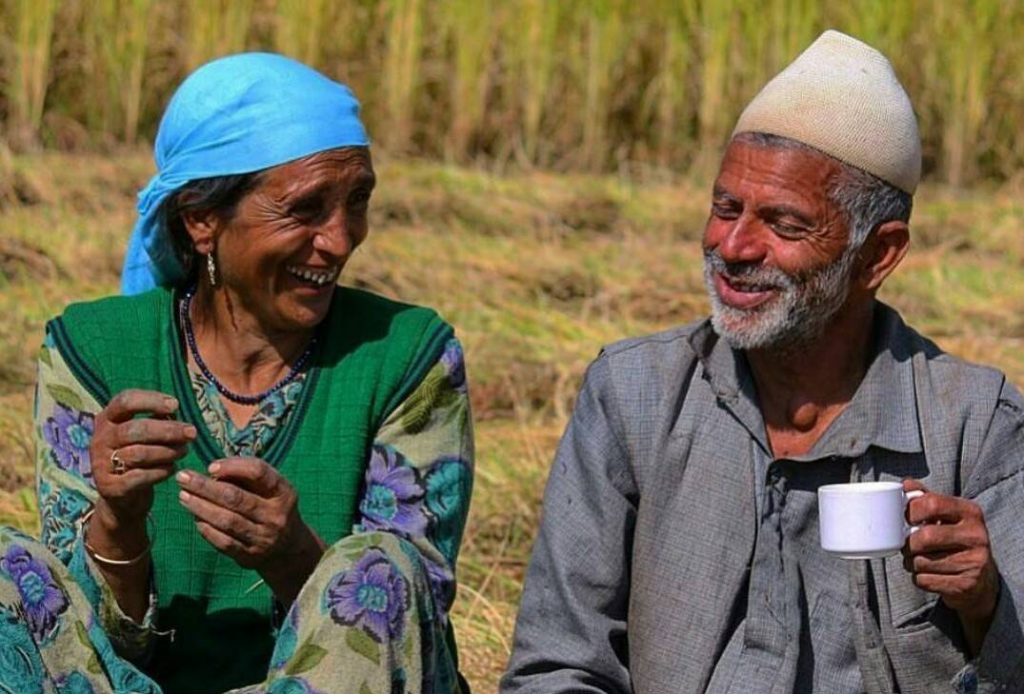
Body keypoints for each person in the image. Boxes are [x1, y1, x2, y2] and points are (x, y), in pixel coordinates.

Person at [501, 30, 1024, 693]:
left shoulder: (974, 426)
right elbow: (557, 664)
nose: (735, 245)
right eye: (725, 208)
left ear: (878, 255)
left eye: (784, 223)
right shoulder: (635, 396)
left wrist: (984, 603)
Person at [1, 53, 473, 693]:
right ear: (202, 220)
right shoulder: (90, 350)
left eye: (356, 200)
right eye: (305, 209)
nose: (340, 239)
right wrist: (119, 518)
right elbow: (72, 636)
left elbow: (409, 620)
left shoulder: (408, 356)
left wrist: (294, 556)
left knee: (377, 565)